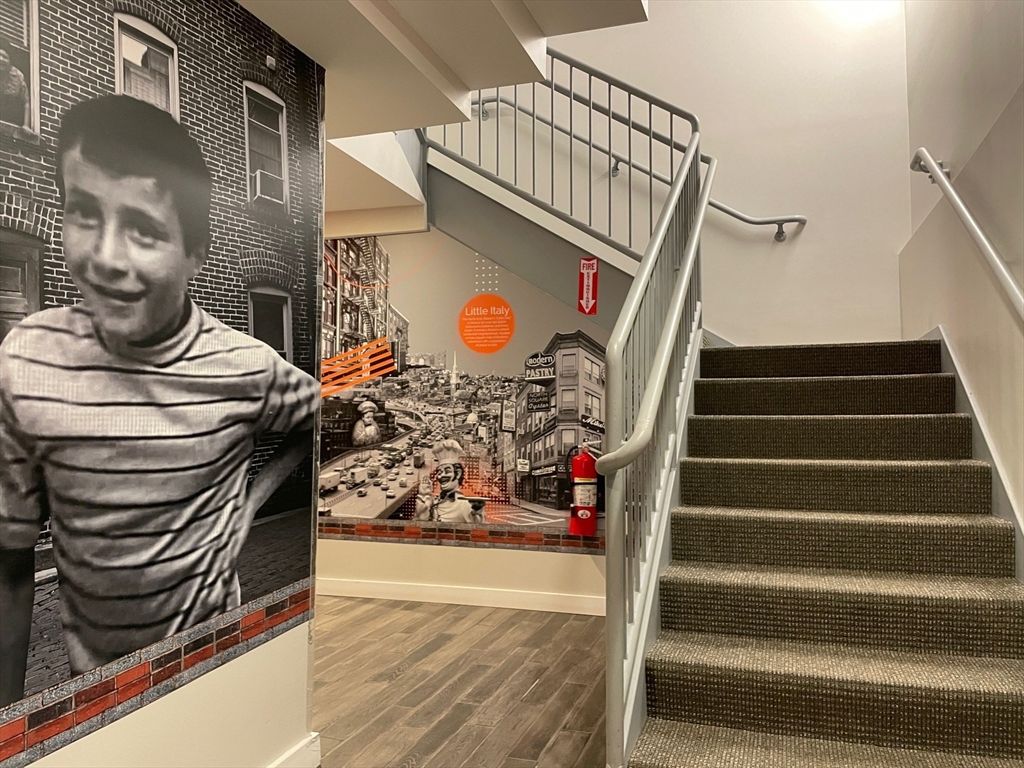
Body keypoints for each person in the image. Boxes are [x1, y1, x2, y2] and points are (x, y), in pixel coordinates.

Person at [0, 95, 319, 707]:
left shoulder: (242, 364)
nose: (105, 257)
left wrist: (249, 503)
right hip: (97, 695)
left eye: (143, 228)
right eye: (84, 213)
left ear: (195, 253)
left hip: (215, 672)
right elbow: (10, 567)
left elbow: (316, 415)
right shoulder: (27, 360)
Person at [415, 439, 484, 523]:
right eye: (440, 472)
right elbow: (420, 525)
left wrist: (477, 512)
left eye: (447, 471)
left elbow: (477, 527)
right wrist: (424, 495)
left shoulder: (464, 505)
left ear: (458, 474)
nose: (441, 476)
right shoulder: (434, 501)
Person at [0, 45, 30, 129]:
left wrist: (26, 125)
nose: (1, 59)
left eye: (5, 57)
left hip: (11, 119)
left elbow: (26, 102)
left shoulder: (18, 76)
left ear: (10, 61)